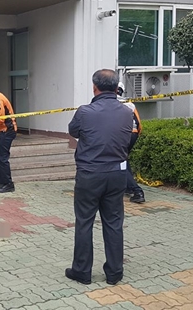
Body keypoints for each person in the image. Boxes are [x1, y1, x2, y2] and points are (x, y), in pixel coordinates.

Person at [65, 69, 132, 286]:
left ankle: (82, 271)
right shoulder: (126, 112)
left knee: (84, 221)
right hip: (117, 174)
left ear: (94, 88)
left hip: (90, 173)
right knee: (113, 223)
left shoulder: (85, 112)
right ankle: (114, 273)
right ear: (116, 87)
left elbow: (73, 131)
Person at [116, 82, 145, 203]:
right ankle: (127, 187)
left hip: (120, 135)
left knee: (120, 160)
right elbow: (139, 125)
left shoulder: (110, 103)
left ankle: (137, 190)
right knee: (124, 160)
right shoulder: (130, 104)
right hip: (133, 134)